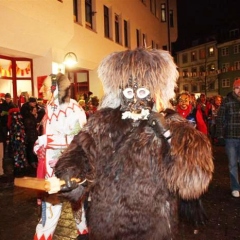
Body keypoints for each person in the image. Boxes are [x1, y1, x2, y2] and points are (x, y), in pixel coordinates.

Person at [54, 48, 214, 240]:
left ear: (153, 92)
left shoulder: (170, 121)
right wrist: (71, 173)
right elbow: (79, 152)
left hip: (154, 224)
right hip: (108, 220)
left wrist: (167, 134)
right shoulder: (102, 121)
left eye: (143, 91)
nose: (136, 98)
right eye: (130, 91)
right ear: (121, 93)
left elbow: (195, 178)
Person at [33, 73, 87, 240]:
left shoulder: (73, 109)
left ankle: (85, 235)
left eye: (45, 86)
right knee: (49, 213)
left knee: (78, 208)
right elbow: (44, 139)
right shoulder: (49, 108)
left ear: (56, 89)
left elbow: (81, 140)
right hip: (51, 170)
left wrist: (48, 141)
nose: (41, 89)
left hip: (70, 170)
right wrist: (39, 147)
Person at [215, 78, 240, 198]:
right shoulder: (227, 101)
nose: (239, 90)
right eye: (237, 88)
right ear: (234, 89)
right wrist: (220, 135)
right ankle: (235, 187)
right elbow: (220, 118)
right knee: (232, 164)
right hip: (231, 138)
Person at [0, 93, 17, 158]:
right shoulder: (1, 105)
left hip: (12, 124)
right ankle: (4, 153)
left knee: (11, 138)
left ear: (10, 98)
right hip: (4, 124)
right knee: (4, 139)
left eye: (8, 98)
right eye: (6, 98)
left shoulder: (13, 105)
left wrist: (8, 113)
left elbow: (15, 113)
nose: (7, 100)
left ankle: (11, 153)